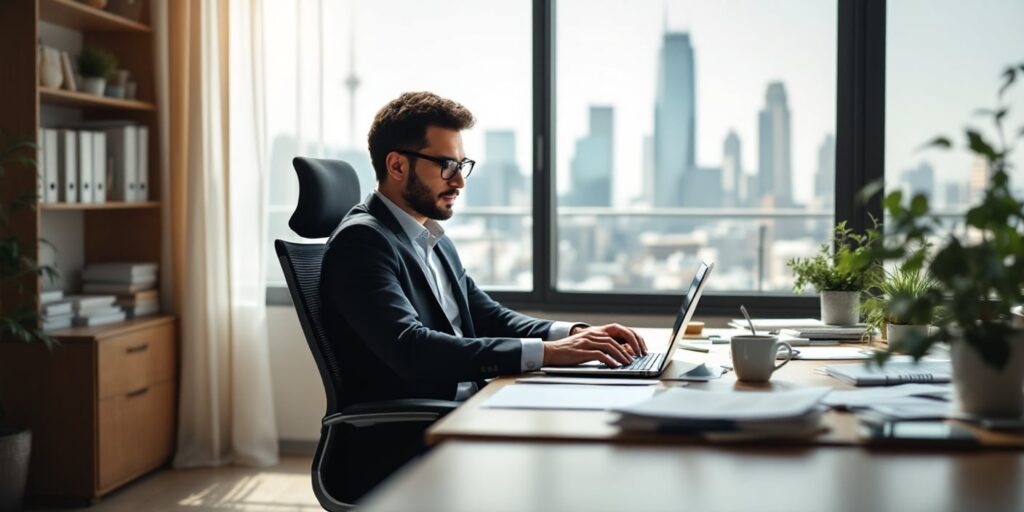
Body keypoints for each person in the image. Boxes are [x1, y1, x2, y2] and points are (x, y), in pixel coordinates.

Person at [321, 91, 647, 407]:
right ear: (397, 166)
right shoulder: (363, 243)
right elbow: (411, 350)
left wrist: (571, 334)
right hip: (415, 429)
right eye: (447, 165)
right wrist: (549, 353)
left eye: (462, 165)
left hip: (471, 403)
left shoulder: (432, 237)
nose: (459, 181)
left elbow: (487, 316)